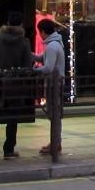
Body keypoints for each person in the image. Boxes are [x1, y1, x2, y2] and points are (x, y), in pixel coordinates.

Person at [0, 11, 33, 160]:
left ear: (8, 23)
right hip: (15, 85)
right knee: (12, 119)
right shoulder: (24, 42)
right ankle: (9, 150)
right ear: (21, 24)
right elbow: (27, 66)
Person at [35, 18, 66, 156]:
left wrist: (34, 70)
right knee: (55, 114)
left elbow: (48, 67)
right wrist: (32, 56)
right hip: (56, 84)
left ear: (42, 31)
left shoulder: (52, 46)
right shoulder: (55, 44)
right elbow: (43, 58)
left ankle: (55, 143)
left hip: (54, 84)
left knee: (54, 115)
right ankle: (55, 142)